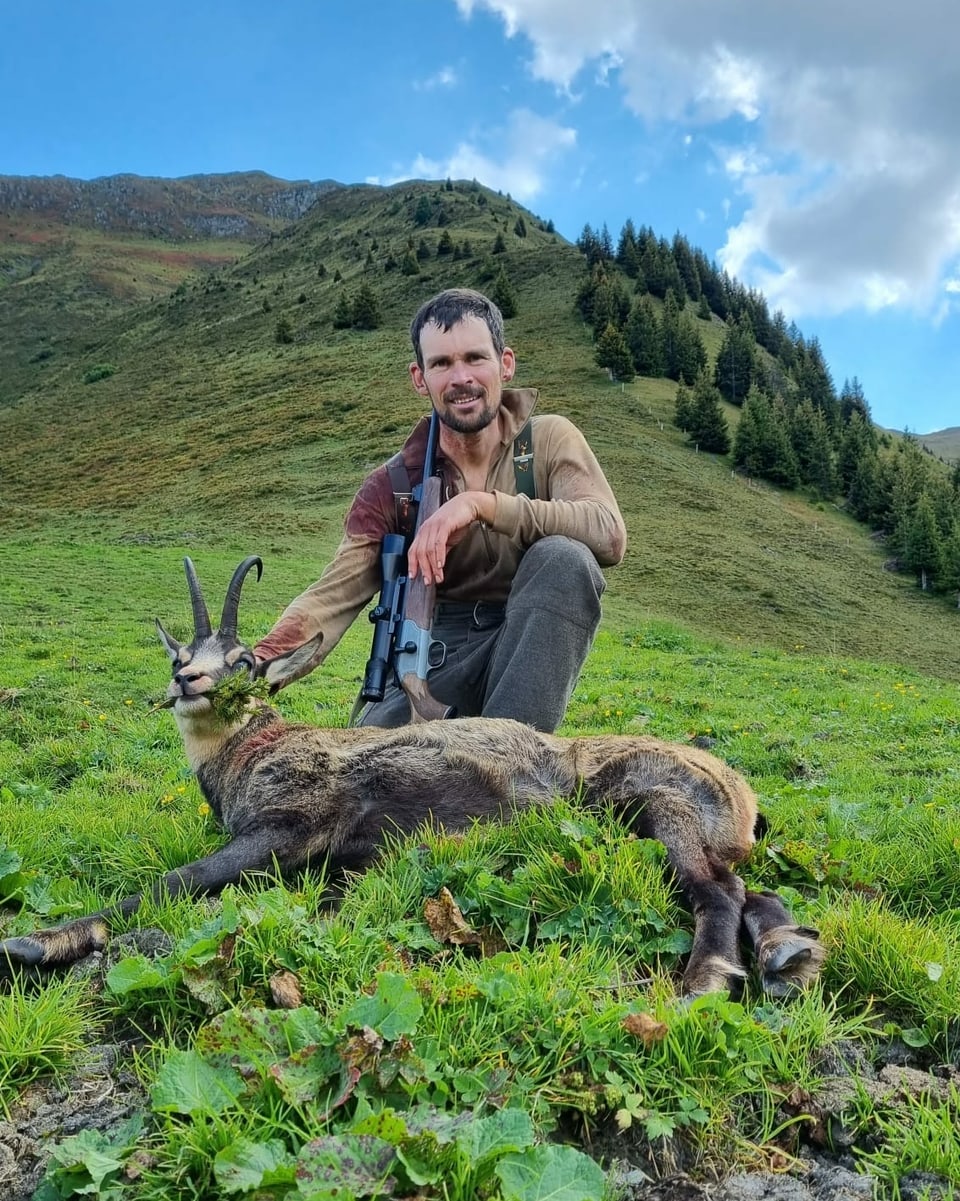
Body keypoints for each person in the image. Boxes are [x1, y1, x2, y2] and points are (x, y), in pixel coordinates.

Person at [254, 287, 626, 732]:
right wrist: (251, 667)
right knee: (368, 777)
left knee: (566, 560)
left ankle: (511, 771)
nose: (460, 378)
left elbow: (607, 532)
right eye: (441, 364)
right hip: (431, 661)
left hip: (523, 655)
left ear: (505, 363)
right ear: (419, 377)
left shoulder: (547, 441)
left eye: (475, 358)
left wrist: (482, 506)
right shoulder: (392, 485)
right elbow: (331, 597)